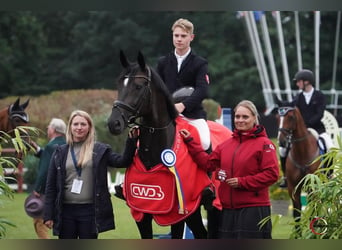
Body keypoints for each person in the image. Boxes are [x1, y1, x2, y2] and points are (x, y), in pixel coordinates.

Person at [179, 100, 279, 239]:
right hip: (228, 211)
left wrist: (242, 182)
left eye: (245, 117)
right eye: (237, 117)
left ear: (254, 118)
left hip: (253, 210)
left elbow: (272, 174)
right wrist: (191, 142)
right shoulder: (225, 145)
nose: (240, 120)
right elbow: (208, 164)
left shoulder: (264, 144)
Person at [43, 110, 138, 239]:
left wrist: (131, 140)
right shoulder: (60, 152)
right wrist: (48, 215)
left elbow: (123, 161)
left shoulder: (100, 150)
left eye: (83, 124)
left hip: (90, 211)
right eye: (75, 124)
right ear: (70, 127)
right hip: (65, 212)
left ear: (89, 127)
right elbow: (50, 186)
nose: (79, 128)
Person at [156, 18, 211, 152]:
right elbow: (157, 89)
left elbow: (202, 90)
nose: (179, 39)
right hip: (167, 114)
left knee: (205, 142)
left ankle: (208, 172)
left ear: (191, 37)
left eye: (183, 36)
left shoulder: (200, 63)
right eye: (176, 35)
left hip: (192, 114)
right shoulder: (163, 62)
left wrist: (183, 105)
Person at [278, 69, 335, 188]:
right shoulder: (298, 97)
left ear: (307, 82)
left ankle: (330, 174)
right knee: (282, 149)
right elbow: (290, 105)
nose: (297, 84)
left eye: (299, 82)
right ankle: (285, 177)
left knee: (329, 145)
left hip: (317, 128)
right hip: (300, 131)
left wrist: (307, 123)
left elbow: (320, 113)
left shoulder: (319, 96)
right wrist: (282, 103)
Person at [29, 118, 67, 239]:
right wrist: (38, 150)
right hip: (62, 190)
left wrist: (38, 189)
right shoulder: (65, 144)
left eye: (49, 126)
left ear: (54, 129)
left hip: (47, 191)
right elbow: (51, 158)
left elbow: (46, 169)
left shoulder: (51, 146)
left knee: (39, 223)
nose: (47, 128)